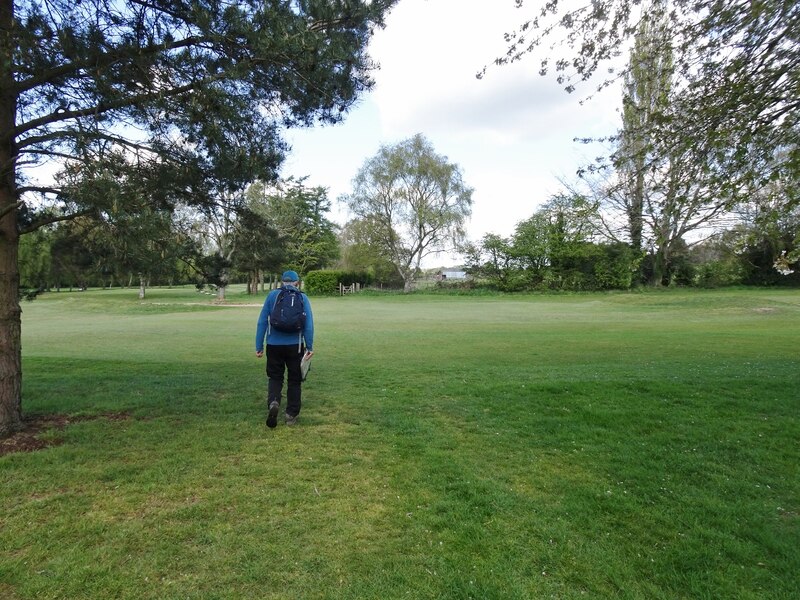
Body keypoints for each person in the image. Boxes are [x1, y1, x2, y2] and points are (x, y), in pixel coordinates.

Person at [255, 271, 314, 428]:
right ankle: (291, 415)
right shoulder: (303, 297)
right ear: (296, 282)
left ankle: (274, 401)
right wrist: (309, 346)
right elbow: (309, 325)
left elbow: (262, 322)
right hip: (296, 345)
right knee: (294, 380)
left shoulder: (272, 296)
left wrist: (259, 346)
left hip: (274, 345)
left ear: (282, 281)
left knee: (275, 377)